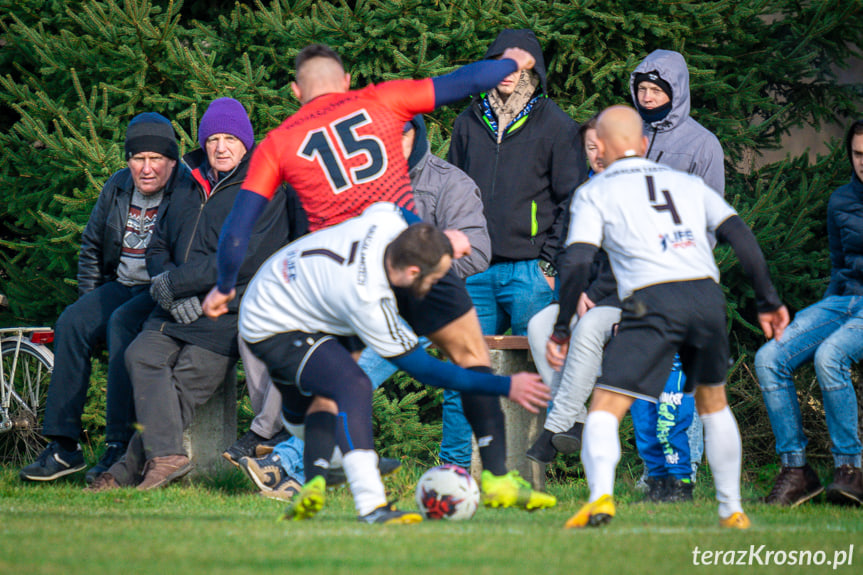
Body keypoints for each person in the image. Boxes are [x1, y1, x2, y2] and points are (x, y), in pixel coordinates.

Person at [204, 43, 556, 510]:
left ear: (295, 91)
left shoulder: (278, 142)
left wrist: (225, 285)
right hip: (410, 252)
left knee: (338, 382)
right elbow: (465, 81)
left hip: (345, 277)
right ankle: (495, 479)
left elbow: (236, 230)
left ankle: (313, 475)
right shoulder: (382, 99)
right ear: (346, 80)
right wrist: (513, 61)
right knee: (471, 351)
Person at [225, 203, 549, 523]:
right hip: (270, 320)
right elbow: (426, 370)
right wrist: (506, 384)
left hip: (302, 297)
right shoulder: (370, 300)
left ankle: (315, 481)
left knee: (304, 414)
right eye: (434, 278)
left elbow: (400, 213)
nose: (437, 286)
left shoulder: (387, 224)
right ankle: (371, 506)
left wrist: (446, 243)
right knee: (354, 384)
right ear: (412, 273)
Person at [550, 105, 789, 529]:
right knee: (713, 404)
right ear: (644, 144)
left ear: (600, 149)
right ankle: (731, 509)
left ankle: (600, 499)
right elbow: (740, 235)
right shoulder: (686, 183)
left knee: (605, 405)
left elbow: (576, 262)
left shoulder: (596, 191)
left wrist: (562, 325)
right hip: (705, 296)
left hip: (651, 301)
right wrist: (768, 300)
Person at [236, 114, 491, 498]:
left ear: (415, 134)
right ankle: (309, 460)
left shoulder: (450, 182)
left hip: (427, 306)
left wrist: (418, 271)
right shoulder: (364, 180)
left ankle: (285, 460)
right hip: (360, 301)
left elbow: (478, 250)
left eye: (398, 136)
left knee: (360, 366)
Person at [86, 98, 290, 491]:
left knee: (185, 383)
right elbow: (157, 244)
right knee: (140, 354)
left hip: (222, 314)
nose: (221, 147)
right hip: (172, 310)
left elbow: (243, 258)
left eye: (230, 138)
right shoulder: (186, 180)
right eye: (212, 138)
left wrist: (182, 287)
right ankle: (167, 457)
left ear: (246, 142)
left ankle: (131, 470)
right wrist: (168, 288)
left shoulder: (264, 187)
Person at [20, 113, 192, 483]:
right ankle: (64, 446)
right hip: (120, 285)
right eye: (137, 159)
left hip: (159, 289)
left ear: (171, 160)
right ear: (127, 160)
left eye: (155, 159)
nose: (146, 169)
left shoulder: (185, 191)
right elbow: (92, 247)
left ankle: (117, 442)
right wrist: (89, 303)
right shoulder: (116, 188)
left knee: (122, 324)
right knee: (72, 321)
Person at [444, 28, 586, 468]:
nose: (508, 71)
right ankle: (453, 468)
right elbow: (451, 190)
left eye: (519, 61)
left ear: (534, 69)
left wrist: (548, 262)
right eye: (500, 60)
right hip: (475, 273)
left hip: (530, 273)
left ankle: (528, 474)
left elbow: (573, 200)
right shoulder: (469, 122)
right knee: (461, 371)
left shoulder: (557, 126)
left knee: (536, 375)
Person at [628, 48, 728, 491]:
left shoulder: (702, 144)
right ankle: (654, 474)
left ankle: (680, 473)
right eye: (642, 89)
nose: (648, 98)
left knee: (675, 389)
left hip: (682, 282)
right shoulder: (629, 136)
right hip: (633, 282)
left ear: (677, 91)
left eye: (656, 89)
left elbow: (710, 219)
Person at [755, 119, 863, 507]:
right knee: (769, 357)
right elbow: (840, 266)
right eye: (857, 154)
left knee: (829, 355)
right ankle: (797, 471)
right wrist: (830, 313)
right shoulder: (841, 201)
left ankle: (850, 470)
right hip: (844, 299)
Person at [525, 117, 620, 464]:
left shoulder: (631, 192)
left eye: (603, 146)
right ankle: (577, 419)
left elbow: (628, 258)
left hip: (621, 301)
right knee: (538, 326)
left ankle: (556, 427)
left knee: (587, 327)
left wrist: (591, 295)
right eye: (590, 147)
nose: (597, 154)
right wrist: (573, 291)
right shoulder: (581, 193)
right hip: (578, 296)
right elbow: (565, 251)